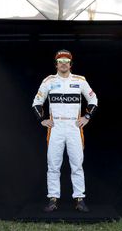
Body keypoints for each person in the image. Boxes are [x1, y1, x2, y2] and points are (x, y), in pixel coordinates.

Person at [32, 49, 98, 213]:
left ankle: (79, 199)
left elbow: (93, 98)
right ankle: (53, 199)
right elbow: (36, 102)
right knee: (53, 165)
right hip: (56, 128)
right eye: (60, 61)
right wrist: (42, 120)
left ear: (70, 63)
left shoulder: (80, 80)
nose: (63, 64)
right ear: (56, 64)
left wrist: (87, 117)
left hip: (74, 127)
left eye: (66, 61)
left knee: (77, 165)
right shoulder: (48, 81)